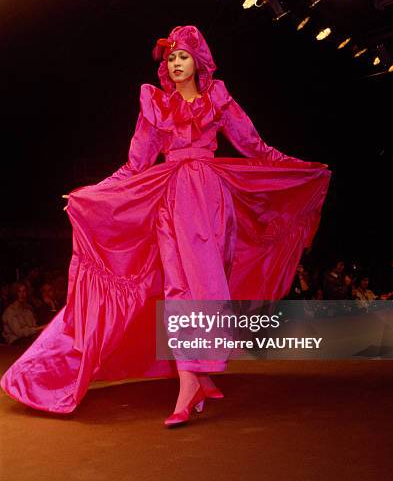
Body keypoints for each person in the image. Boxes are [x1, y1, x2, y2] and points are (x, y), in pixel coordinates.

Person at [0, 25, 331, 424]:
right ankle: (190, 379)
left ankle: (195, 375)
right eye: (171, 57)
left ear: (198, 62)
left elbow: (255, 148)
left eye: (182, 56)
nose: (175, 63)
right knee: (178, 287)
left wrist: (300, 169)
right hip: (171, 199)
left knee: (205, 285)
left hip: (211, 199)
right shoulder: (155, 105)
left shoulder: (219, 100)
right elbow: (135, 164)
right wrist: (92, 192)